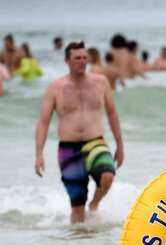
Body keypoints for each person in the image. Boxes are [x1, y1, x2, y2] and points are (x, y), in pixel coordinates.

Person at [34, 41, 124, 224]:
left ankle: (95, 204)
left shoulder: (100, 82)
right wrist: (39, 154)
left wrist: (120, 146)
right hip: (68, 149)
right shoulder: (55, 88)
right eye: (77, 58)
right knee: (77, 209)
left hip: (95, 142)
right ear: (67, 60)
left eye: (85, 58)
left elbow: (112, 114)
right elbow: (43, 122)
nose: (82, 61)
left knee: (107, 175)